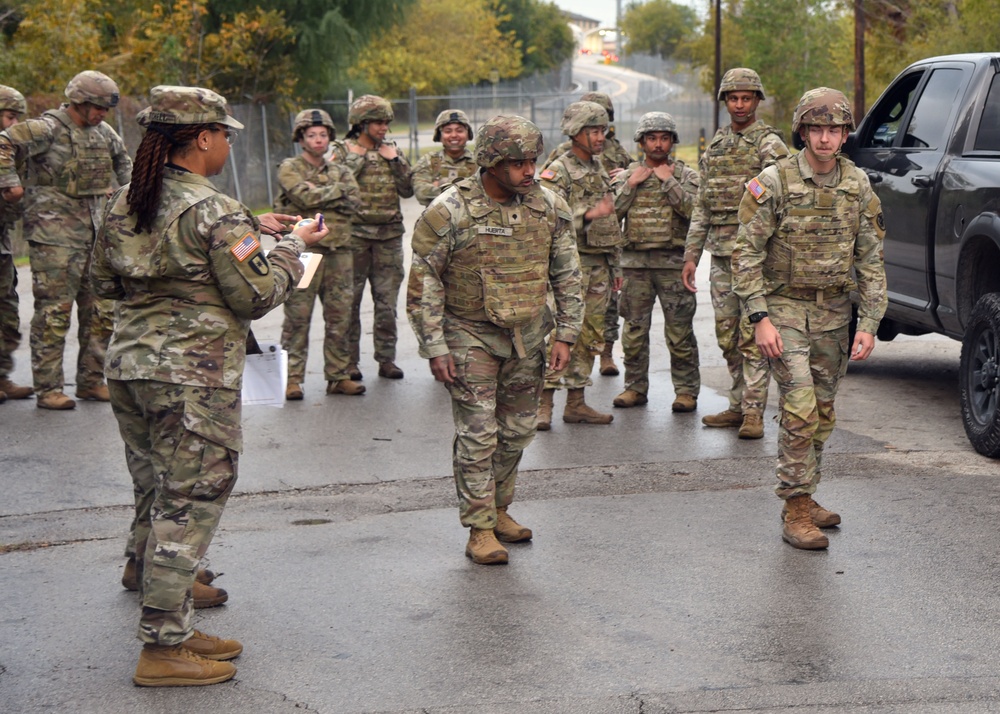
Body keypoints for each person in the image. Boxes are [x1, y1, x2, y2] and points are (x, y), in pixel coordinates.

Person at [91, 85, 329, 685]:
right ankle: (161, 648)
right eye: (223, 134)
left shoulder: (124, 201)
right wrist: (293, 247)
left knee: (156, 488)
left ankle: (173, 618)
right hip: (192, 375)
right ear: (202, 138)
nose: (226, 143)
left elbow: (106, 285)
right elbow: (257, 294)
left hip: (131, 367)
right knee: (190, 498)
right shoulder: (213, 210)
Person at [407, 115, 583, 564]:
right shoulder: (450, 210)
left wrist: (566, 332)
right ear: (490, 161)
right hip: (469, 335)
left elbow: (567, 273)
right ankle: (480, 528)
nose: (529, 170)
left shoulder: (549, 206)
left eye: (532, 160)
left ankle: (501, 509)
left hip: (528, 334)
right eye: (518, 162)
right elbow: (424, 280)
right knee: (478, 435)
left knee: (517, 432)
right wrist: (434, 345)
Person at [732, 87, 887, 550]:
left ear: (844, 134)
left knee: (822, 410)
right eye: (816, 129)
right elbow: (745, 253)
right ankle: (796, 507)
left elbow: (872, 258)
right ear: (802, 131)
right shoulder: (774, 182)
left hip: (835, 311)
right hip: (783, 309)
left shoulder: (857, 184)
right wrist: (759, 317)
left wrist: (869, 322)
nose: (825, 138)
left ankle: (808, 489)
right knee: (799, 406)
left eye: (834, 129)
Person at [0, 70, 133, 410]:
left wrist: (131, 200)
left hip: (95, 235)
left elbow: (125, 166)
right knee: (54, 314)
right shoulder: (46, 128)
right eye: (98, 107)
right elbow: (5, 141)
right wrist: (9, 183)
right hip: (53, 238)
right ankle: (49, 388)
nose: (103, 114)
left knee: (100, 311)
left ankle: (90, 381)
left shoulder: (104, 133)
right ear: (79, 102)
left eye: (106, 109)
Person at [681, 68, 788, 439]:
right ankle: (738, 403)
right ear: (725, 101)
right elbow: (702, 204)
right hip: (723, 256)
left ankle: (754, 413)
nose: (739, 104)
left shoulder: (769, 145)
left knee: (752, 334)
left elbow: (784, 200)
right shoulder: (717, 145)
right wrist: (692, 254)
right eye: (733, 98)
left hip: (757, 257)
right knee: (726, 333)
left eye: (746, 98)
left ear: (757, 100)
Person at [538, 101, 622, 428]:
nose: (600, 137)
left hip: (599, 265)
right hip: (566, 267)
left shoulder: (598, 168)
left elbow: (610, 223)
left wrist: (615, 267)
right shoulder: (558, 171)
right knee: (558, 334)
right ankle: (544, 404)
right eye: (593, 131)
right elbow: (546, 219)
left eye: (603, 130)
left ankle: (576, 402)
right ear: (576, 132)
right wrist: (587, 215)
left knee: (590, 334)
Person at [610, 112, 701, 411]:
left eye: (664, 138)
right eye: (652, 138)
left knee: (680, 332)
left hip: (673, 265)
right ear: (642, 142)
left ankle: (686, 391)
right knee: (634, 332)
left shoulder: (686, 176)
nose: (658, 144)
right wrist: (630, 185)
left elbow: (695, 213)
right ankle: (634, 387)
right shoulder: (627, 177)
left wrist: (669, 182)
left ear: (672, 141)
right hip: (636, 266)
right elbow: (610, 220)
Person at [275, 108, 363, 399]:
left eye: (323, 135)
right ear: (301, 139)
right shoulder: (290, 167)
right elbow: (303, 196)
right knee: (297, 318)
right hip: (304, 254)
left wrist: (323, 190)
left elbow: (354, 201)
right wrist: (334, 192)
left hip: (340, 253)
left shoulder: (342, 171)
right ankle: (292, 379)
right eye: (311, 135)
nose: (318, 140)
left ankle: (338, 376)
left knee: (340, 317)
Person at [343, 95, 413, 381]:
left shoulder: (392, 150)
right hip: (354, 238)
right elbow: (340, 186)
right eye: (378, 122)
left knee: (386, 304)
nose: (384, 128)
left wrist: (394, 160)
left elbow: (408, 190)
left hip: (389, 238)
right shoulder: (343, 150)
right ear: (362, 123)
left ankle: (386, 360)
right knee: (351, 303)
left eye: (386, 122)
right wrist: (357, 157)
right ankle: (348, 363)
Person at [0, 84, 33, 403]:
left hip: (3, 244)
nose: (14, 126)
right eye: (10, 117)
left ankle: (2, 377)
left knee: (8, 313)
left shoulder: (12, 154)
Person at [411, 109, 477, 206]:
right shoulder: (428, 161)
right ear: (439, 135)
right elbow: (422, 194)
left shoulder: (479, 162)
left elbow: (487, 194)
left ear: (468, 134)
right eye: (448, 131)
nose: (454, 135)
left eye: (459, 130)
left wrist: (440, 184)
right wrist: (466, 189)